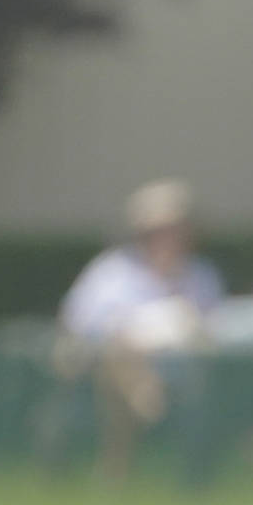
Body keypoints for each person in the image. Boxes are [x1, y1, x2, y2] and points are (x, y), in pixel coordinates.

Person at [55, 179, 225, 481]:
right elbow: (83, 324)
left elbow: (213, 326)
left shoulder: (201, 274)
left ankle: (133, 445)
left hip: (185, 368)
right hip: (108, 368)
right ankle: (141, 415)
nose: (169, 238)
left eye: (176, 229)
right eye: (160, 230)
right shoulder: (111, 272)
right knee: (121, 352)